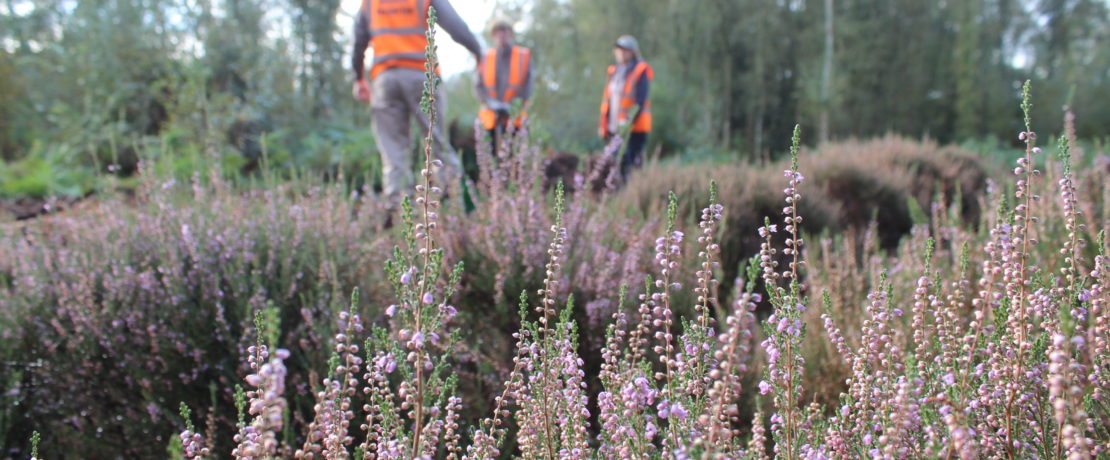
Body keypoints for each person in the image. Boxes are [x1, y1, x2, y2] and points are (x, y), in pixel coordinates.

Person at [351, 0, 482, 209]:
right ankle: (455, 204)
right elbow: (456, 27)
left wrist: (358, 77)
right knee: (436, 140)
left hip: (385, 79)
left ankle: (398, 208)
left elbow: (359, 40)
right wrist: (477, 51)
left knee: (393, 150)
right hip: (422, 73)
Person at [598, 35, 653, 182]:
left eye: (625, 50)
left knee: (632, 164)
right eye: (619, 50)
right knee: (617, 163)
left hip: (634, 129)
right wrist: (604, 126)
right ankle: (621, 194)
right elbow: (608, 101)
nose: (621, 53)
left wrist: (628, 122)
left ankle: (634, 194)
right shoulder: (614, 72)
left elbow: (640, 101)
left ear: (633, 52)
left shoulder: (640, 70)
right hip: (615, 128)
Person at [475, 17, 534, 154]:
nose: (502, 35)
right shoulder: (485, 57)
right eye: (498, 31)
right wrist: (491, 103)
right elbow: (478, 86)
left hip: (515, 117)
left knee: (516, 157)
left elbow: (528, 84)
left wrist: (514, 105)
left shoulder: (523, 55)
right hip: (490, 118)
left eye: (505, 31)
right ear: (493, 35)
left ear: (510, 33)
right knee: (491, 158)